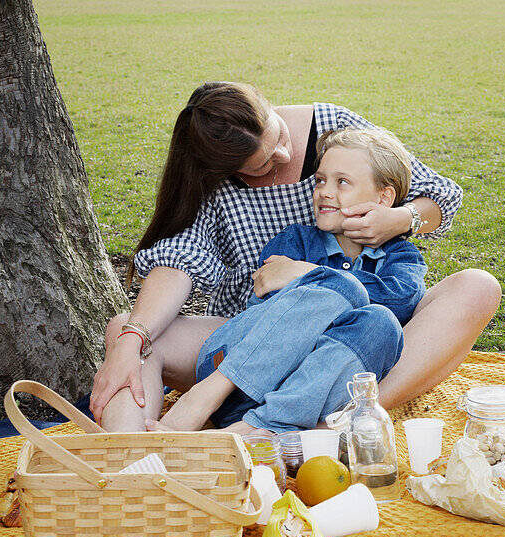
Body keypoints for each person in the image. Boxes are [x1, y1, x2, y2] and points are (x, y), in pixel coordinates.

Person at [90, 82, 501, 431]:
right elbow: (208, 276)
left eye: (279, 137)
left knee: (475, 287)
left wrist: (399, 219)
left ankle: (336, 423)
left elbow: (440, 198)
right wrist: (135, 335)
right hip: (258, 343)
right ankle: (134, 461)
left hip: (361, 347)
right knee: (124, 329)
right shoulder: (259, 215)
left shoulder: (337, 130)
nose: (286, 160)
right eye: (263, 163)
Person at [150, 125, 427, 434]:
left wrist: (303, 272)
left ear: (384, 197)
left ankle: (257, 430)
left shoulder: (402, 256)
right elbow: (270, 309)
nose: (324, 191)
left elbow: (401, 301)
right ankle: (200, 400)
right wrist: (328, 284)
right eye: (320, 180)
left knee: (383, 323)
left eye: (343, 182)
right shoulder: (294, 241)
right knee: (344, 288)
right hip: (236, 379)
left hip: (298, 399)